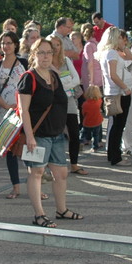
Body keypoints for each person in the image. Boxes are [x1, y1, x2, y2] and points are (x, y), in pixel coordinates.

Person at [18, 37, 80, 227]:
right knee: (36, 173)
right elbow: (23, 110)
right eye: (41, 52)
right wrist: (29, 136)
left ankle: (62, 210)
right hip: (38, 136)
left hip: (56, 135)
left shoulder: (54, 76)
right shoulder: (29, 77)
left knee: (61, 174)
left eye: (49, 52)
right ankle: (39, 215)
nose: (45, 56)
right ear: (33, 55)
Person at [0, 31, 29, 198]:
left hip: (24, 112)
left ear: (15, 45)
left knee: (29, 149)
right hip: (5, 113)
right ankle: (16, 187)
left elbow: (31, 85)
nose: (6, 46)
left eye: (9, 43)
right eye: (3, 43)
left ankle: (35, 186)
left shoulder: (24, 63)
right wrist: (6, 105)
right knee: (11, 151)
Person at [48, 33, 86, 174]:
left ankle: (74, 164)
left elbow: (76, 79)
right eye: (52, 45)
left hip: (69, 101)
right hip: (52, 103)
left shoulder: (66, 60)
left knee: (74, 134)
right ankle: (51, 165)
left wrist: (63, 83)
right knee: (53, 135)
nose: (55, 48)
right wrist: (66, 82)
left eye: (58, 45)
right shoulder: (46, 63)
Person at [97, 27, 132, 167]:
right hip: (119, 92)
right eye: (120, 37)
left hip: (114, 92)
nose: (123, 40)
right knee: (118, 125)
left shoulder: (108, 52)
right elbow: (113, 74)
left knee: (115, 125)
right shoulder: (112, 53)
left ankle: (112, 154)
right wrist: (125, 87)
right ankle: (116, 157)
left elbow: (130, 58)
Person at [80, 85, 104, 152]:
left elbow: (83, 113)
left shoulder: (85, 104)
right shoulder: (99, 101)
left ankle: (81, 142)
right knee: (96, 135)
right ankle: (94, 147)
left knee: (83, 133)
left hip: (87, 122)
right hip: (97, 121)